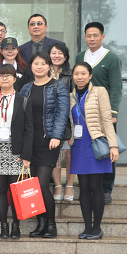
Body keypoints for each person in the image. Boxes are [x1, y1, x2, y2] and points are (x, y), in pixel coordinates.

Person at [20, 52, 70, 239]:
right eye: (36, 63)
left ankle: (51, 224)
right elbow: (20, 115)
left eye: (43, 63)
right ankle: (40, 223)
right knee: (33, 185)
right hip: (29, 142)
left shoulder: (58, 86)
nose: (39, 67)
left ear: (49, 66)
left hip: (49, 142)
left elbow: (62, 113)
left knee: (41, 184)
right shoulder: (26, 88)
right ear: (31, 66)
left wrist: (56, 135)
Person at [69, 62, 119, 240]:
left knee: (96, 186)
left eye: (83, 73)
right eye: (76, 74)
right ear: (73, 76)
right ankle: (87, 227)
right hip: (78, 145)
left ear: (90, 76)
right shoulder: (71, 96)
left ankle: (97, 228)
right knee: (83, 186)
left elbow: (106, 119)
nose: (80, 77)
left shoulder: (99, 91)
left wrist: (113, 145)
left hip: (96, 144)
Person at [75, 22, 122, 204]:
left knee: (107, 149)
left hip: (103, 113)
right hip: (83, 112)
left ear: (102, 37)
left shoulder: (112, 58)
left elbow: (116, 87)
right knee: (87, 149)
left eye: (95, 35)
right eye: (89, 35)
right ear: (85, 37)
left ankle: (106, 189)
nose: (92, 38)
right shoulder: (81, 56)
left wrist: (113, 112)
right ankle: (88, 187)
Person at [0, 64, 33, 239]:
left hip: (16, 150)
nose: (5, 78)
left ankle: (16, 225)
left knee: (15, 190)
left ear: (15, 79)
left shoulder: (23, 100)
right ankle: (3, 226)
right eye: (1, 75)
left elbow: (29, 130)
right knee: (0, 189)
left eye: (8, 75)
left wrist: (26, 155)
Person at [49, 42, 76, 202]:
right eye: (54, 52)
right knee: (54, 154)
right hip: (50, 120)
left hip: (68, 120)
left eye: (60, 53)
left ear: (65, 57)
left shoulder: (71, 75)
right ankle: (58, 185)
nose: (56, 56)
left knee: (70, 154)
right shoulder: (44, 72)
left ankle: (70, 185)